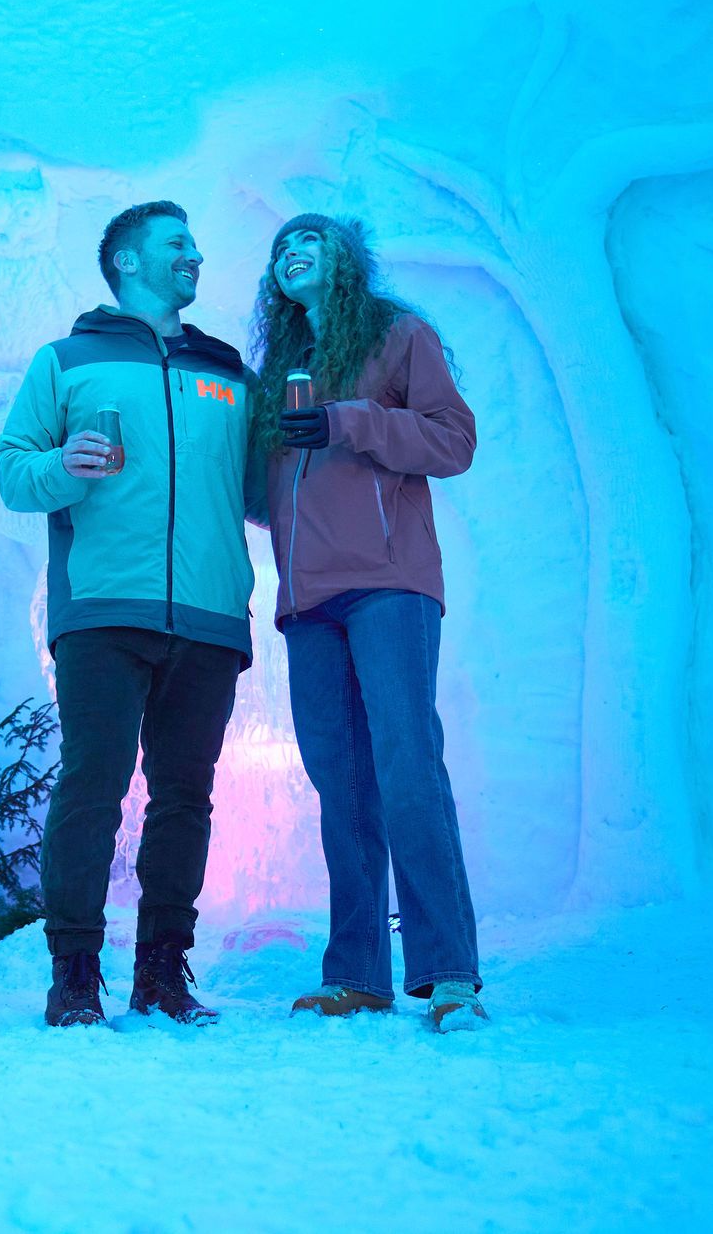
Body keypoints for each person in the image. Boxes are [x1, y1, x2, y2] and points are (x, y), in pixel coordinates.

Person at [0, 200, 263, 1028]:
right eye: (178, 243)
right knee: (92, 787)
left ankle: (162, 974)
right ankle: (74, 974)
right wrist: (64, 468)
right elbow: (12, 471)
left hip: (211, 614)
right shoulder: (66, 361)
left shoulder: (226, 370)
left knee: (186, 798)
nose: (195, 255)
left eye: (195, 241)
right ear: (129, 262)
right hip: (104, 609)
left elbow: (256, 494)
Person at [249, 213, 488, 1031]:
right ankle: (357, 973)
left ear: (346, 260)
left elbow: (455, 441)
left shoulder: (397, 334)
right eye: (282, 248)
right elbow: (267, 495)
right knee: (341, 788)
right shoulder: (279, 367)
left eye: (309, 242)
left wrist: (351, 420)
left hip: (391, 585)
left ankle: (450, 972)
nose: (293, 254)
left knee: (408, 765)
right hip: (306, 602)